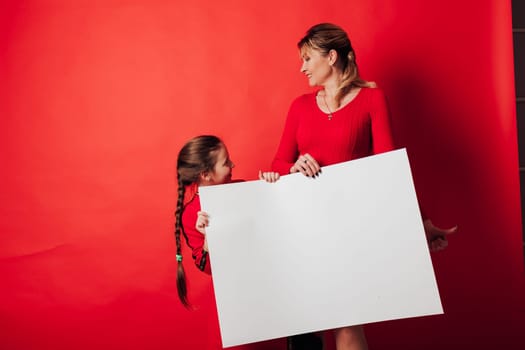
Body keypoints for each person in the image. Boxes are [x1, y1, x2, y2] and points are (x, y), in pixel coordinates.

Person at [271, 23, 457, 350]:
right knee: (309, 326)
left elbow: (391, 169)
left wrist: (421, 222)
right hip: (306, 230)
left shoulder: (372, 99)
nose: (302, 67)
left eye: (307, 58)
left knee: (346, 322)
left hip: (350, 229)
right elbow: (278, 164)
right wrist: (294, 167)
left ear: (331, 57)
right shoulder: (299, 106)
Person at [175, 134, 279, 307]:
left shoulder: (241, 188)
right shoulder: (190, 215)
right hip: (241, 292)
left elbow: (272, 223)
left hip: (271, 275)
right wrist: (209, 240)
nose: (232, 165)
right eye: (226, 163)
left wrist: (270, 188)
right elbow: (208, 268)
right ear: (206, 174)